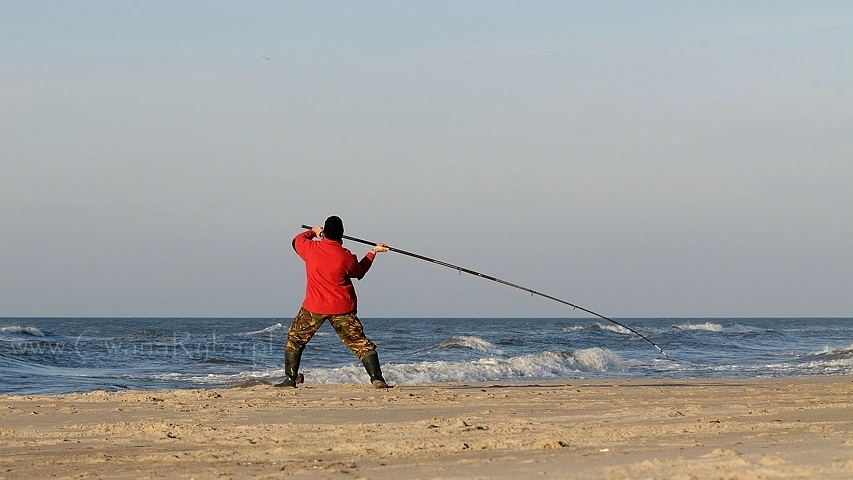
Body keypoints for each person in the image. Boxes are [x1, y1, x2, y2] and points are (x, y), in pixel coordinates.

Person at [276, 216, 391, 389]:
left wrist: (313, 232)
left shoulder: (310, 248)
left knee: (295, 339)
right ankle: (377, 378)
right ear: (342, 234)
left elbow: (296, 241)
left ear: (325, 233)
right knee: (360, 342)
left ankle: (291, 379)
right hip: (342, 308)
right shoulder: (346, 257)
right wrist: (373, 252)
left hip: (314, 307)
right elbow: (359, 271)